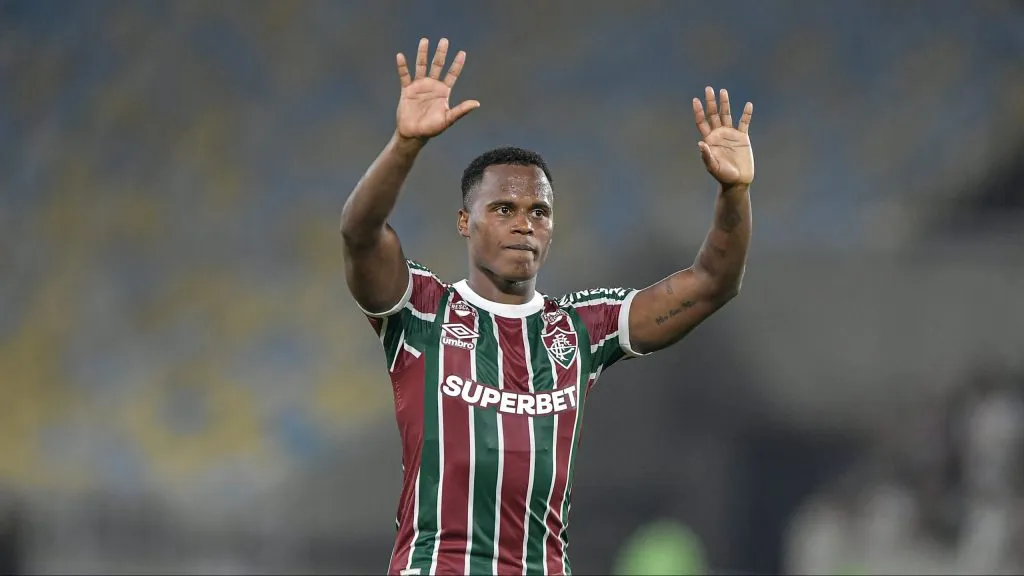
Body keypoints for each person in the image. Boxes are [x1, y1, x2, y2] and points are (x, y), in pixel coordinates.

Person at [340, 37, 754, 576]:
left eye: (539, 211)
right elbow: (359, 233)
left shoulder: (582, 329)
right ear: (466, 222)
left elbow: (712, 282)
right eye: (504, 208)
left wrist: (735, 194)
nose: (524, 223)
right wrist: (404, 146)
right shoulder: (422, 310)